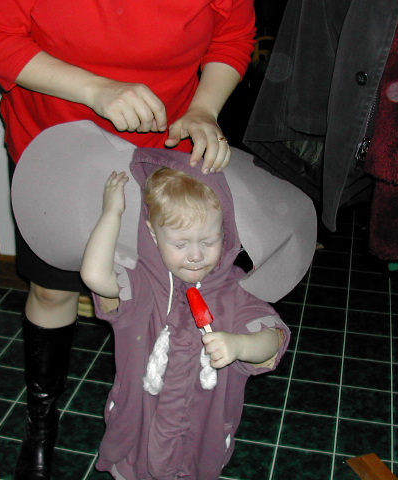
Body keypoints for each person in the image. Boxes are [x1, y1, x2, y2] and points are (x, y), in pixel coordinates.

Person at [0, 0, 256, 478]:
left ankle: (153, 419)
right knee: (51, 290)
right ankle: (41, 423)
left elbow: (232, 36)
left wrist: (204, 108)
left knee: (162, 297)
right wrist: (95, 89)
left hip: (164, 153)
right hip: (55, 145)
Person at [80, 151, 290, 480]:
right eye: (180, 244)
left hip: (199, 436)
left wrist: (240, 346)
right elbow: (94, 275)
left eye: (208, 241)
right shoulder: (142, 286)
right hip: (139, 430)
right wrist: (112, 213)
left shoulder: (234, 293)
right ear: (153, 234)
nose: (195, 255)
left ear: (226, 233)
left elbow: (273, 340)